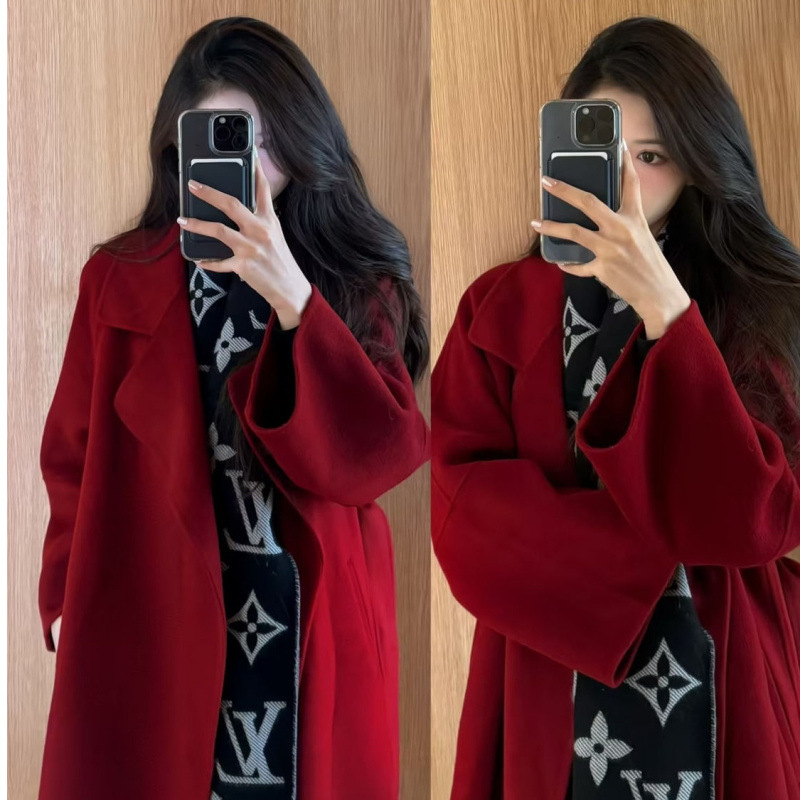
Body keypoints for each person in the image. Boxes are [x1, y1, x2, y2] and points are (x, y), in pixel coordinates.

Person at [37, 17, 429, 800]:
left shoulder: (351, 279)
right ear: (178, 149)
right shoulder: (118, 280)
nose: (245, 165)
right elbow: (71, 455)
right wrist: (61, 595)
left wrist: (294, 297)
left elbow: (381, 457)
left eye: (265, 140)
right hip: (154, 608)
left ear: (303, 140)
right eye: (223, 139)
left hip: (311, 617)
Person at [432, 16, 800, 800]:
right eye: (607, 155)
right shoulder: (495, 309)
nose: (626, 184)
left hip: (724, 671)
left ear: (697, 166)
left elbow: (758, 518)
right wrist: (654, 557)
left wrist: (670, 313)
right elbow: (465, 520)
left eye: (653, 157)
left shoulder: (752, 311)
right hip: (543, 685)